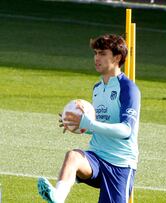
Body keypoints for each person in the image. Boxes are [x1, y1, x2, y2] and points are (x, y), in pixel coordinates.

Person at [37, 34, 141, 203]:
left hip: (120, 164)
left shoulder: (128, 88)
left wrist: (89, 123)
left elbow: (126, 130)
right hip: (97, 157)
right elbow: (99, 125)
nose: (96, 58)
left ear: (117, 57)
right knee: (73, 156)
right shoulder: (98, 88)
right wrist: (78, 125)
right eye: (95, 53)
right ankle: (57, 197)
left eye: (102, 53)